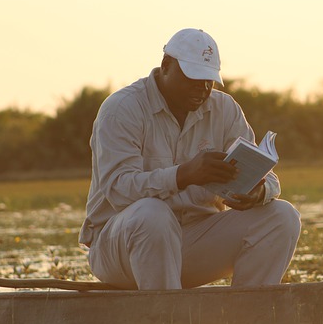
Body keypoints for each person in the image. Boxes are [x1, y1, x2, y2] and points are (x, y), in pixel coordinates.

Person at [79, 28, 301, 290]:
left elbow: (265, 173)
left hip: (195, 242)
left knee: (282, 216)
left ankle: (246, 322)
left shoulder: (225, 109)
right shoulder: (121, 109)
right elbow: (118, 189)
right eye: (193, 77)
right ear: (165, 66)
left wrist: (260, 190)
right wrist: (184, 175)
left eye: (209, 79)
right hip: (120, 249)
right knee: (153, 215)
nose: (203, 88)